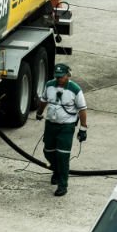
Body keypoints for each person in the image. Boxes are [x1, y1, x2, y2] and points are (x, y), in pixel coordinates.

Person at [35, 63, 88, 196]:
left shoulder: (75, 90)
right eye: (57, 77)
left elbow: (82, 109)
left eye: (62, 77)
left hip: (66, 126)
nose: (59, 79)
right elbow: (44, 100)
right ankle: (56, 171)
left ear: (68, 75)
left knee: (63, 156)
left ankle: (62, 185)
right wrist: (39, 112)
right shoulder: (49, 85)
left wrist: (83, 128)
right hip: (51, 125)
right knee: (48, 151)